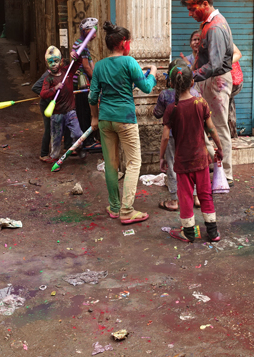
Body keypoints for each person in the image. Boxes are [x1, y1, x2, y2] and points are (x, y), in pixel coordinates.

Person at [89, 21, 157, 224]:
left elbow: (92, 97)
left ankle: (115, 206)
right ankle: (127, 210)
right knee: (134, 162)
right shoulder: (129, 63)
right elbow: (146, 87)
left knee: (111, 165)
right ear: (123, 43)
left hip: (104, 120)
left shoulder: (99, 65)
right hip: (125, 120)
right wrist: (152, 71)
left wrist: (94, 117)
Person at [159, 63, 224, 243]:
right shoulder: (200, 103)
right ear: (193, 82)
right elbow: (211, 129)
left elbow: (165, 138)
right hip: (201, 160)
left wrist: (161, 157)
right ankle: (213, 232)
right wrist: (219, 148)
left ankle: (188, 233)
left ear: (172, 84)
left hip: (182, 162)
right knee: (204, 195)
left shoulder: (171, 109)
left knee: (185, 196)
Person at [181, 0, 234, 183]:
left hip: (216, 81)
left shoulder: (216, 27)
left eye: (193, 9)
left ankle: (226, 174)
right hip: (208, 81)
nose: (190, 14)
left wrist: (191, 76)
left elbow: (215, 64)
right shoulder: (207, 24)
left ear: (205, 4)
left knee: (219, 127)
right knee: (201, 125)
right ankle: (216, 163)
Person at [153, 58, 202, 212]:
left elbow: (157, 114)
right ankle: (196, 197)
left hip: (173, 137)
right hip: (192, 138)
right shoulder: (195, 93)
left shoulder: (165, 95)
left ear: (170, 80)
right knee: (192, 166)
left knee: (173, 167)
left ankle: (175, 200)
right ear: (191, 80)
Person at [40, 45, 85, 167]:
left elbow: (78, 63)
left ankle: (77, 147)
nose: (53, 64)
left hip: (70, 111)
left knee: (78, 134)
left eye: (56, 61)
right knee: (56, 138)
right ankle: (54, 157)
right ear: (46, 63)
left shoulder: (67, 71)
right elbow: (43, 94)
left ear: (61, 61)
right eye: (50, 62)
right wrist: (55, 88)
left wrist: (77, 56)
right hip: (56, 114)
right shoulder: (48, 79)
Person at [71, 17, 101, 151]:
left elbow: (91, 65)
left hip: (84, 84)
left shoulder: (83, 44)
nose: (95, 35)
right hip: (81, 85)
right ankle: (87, 141)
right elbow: (86, 67)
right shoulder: (80, 45)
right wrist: (96, 81)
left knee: (85, 111)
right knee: (84, 112)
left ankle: (87, 139)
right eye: (93, 31)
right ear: (86, 31)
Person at [31, 68, 53, 163]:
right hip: (46, 105)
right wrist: (47, 94)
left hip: (54, 104)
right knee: (48, 128)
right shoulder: (47, 75)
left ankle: (67, 146)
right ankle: (44, 153)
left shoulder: (58, 74)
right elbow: (35, 88)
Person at [228, 43, 244, 137]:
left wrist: (222, 64)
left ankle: (231, 136)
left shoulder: (223, 37)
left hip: (230, 82)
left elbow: (238, 54)